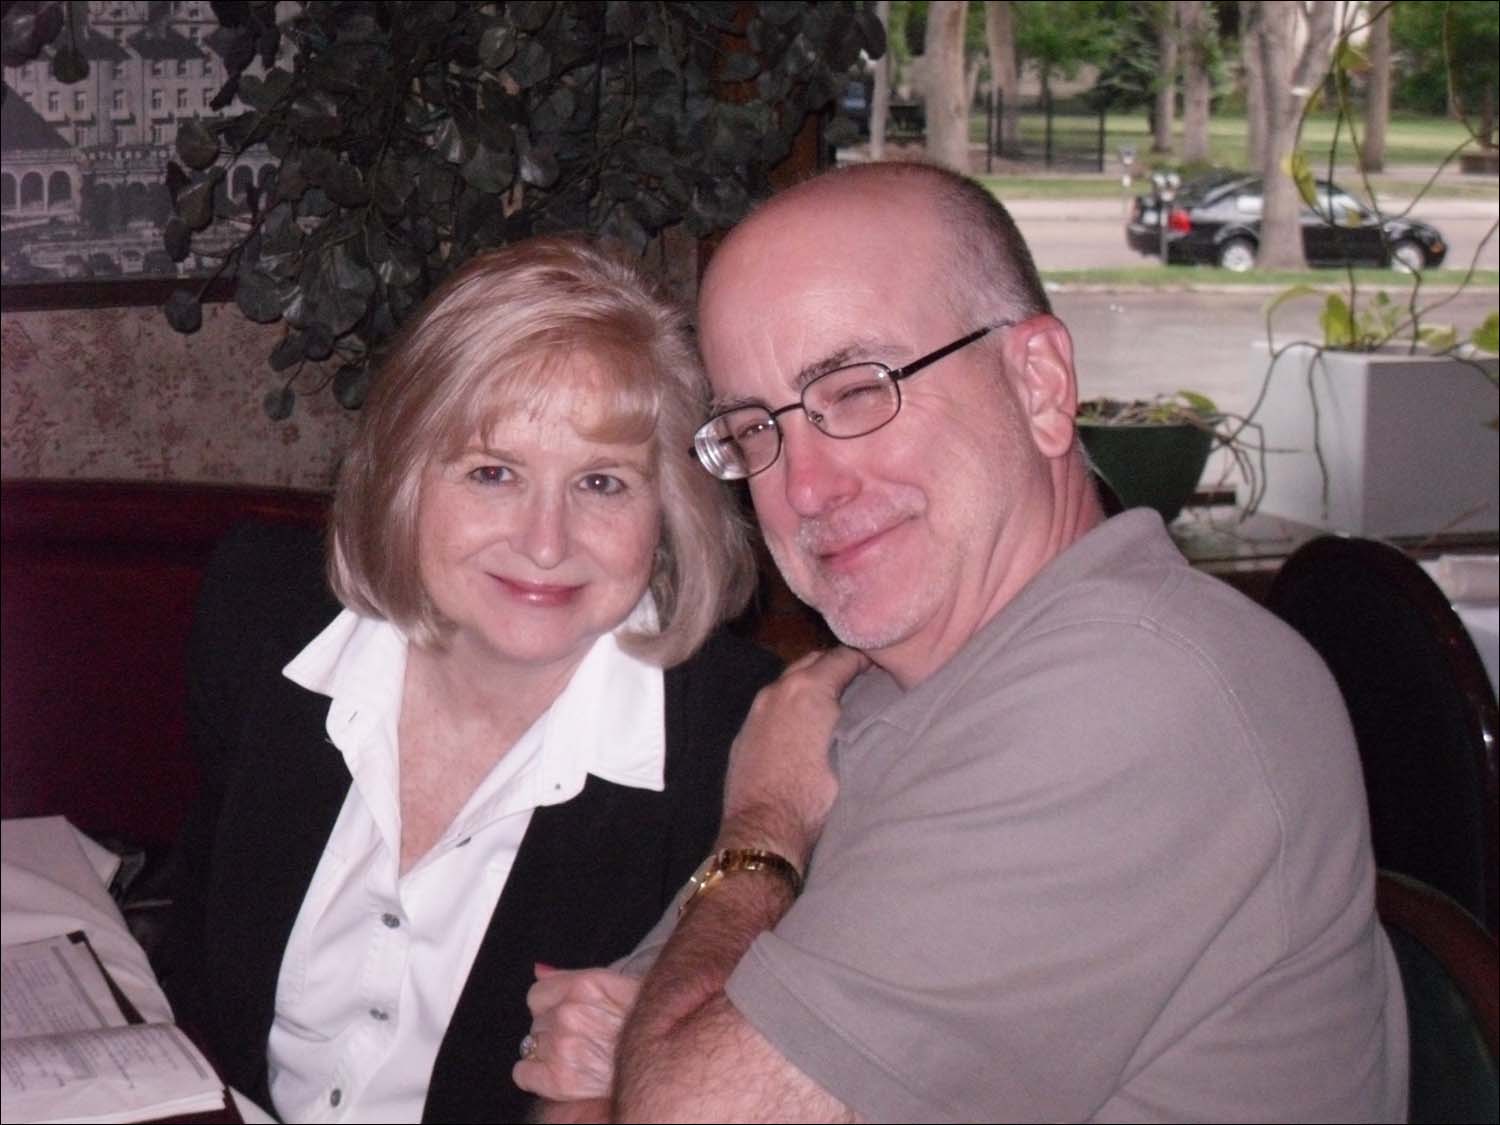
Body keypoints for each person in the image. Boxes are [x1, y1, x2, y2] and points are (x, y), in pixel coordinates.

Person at [517, 163, 1407, 1122]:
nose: (805, 488)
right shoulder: (873, 688)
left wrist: (761, 832)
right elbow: (575, 1064)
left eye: (857, 391)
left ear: (1040, 383)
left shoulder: (1138, 692)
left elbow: (673, 1103)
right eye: (755, 429)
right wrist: (651, 1046)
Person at [161, 236, 781, 1124]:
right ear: (404, 475)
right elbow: (196, 965)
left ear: (671, 507)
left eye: (602, 483)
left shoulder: (737, 747)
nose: (544, 541)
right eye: (493, 472)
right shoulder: (263, 621)